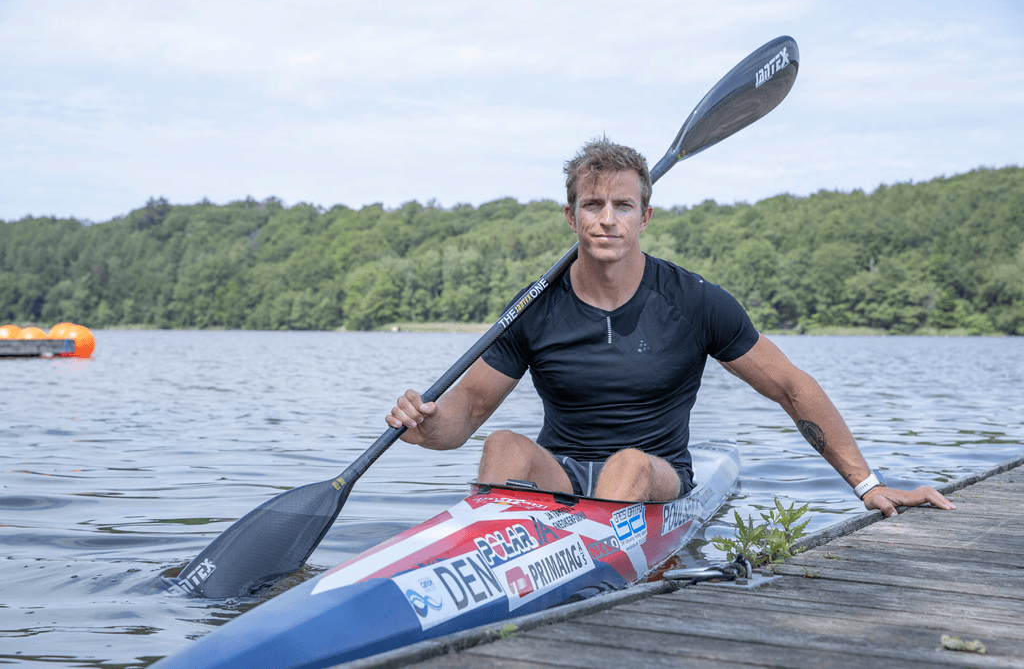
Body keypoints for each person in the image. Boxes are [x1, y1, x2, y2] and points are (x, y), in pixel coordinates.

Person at [386, 137, 956, 518]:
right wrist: (427, 425)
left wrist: (868, 485)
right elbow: (467, 413)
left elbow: (790, 386)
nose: (607, 219)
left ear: (646, 215)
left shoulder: (694, 301)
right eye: (592, 205)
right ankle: (487, 562)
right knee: (504, 445)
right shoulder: (535, 305)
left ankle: (594, 565)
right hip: (558, 469)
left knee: (627, 464)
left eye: (623, 205)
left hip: (653, 475)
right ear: (570, 215)